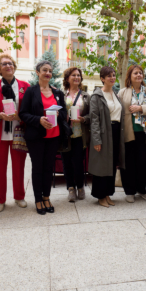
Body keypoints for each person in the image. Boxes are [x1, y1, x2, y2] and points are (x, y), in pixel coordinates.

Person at [0, 54, 30, 213]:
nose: (8, 66)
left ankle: (19, 196)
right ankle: (0, 200)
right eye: (4, 64)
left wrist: (20, 115)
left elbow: (30, 109)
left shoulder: (25, 86)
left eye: (10, 63)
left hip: (18, 132)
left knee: (19, 167)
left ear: (14, 66)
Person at [20, 61, 67, 215]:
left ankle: (46, 197)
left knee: (48, 168)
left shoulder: (58, 93)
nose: (48, 73)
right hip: (36, 137)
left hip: (54, 136)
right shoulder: (31, 91)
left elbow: (65, 113)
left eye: (50, 70)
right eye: (44, 70)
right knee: (38, 168)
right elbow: (23, 113)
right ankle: (38, 199)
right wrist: (39, 119)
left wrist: (60, 115)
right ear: (37, 72)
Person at [118, 65, 146, 203]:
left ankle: (141, 189)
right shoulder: (122, 92)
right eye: (135, 73)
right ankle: (129, 191)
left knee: (143, 162)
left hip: (144, 133)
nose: (139, 75)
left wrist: (141, 108)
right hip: (128, 133)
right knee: (128, 163)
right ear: (130, 76)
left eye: (140, 73)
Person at [89, 66, 126, 207]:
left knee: (111, 165)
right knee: (101, 165)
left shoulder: (116, 95)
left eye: (113, 75)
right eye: (108, 75)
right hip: (104, 132)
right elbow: (94, 119)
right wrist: (97, 140)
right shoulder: (96, 96)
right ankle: (100, 196)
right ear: (102, 79)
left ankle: (108, 194)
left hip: (116, 132)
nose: (112, 77)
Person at [61, 67, 91, 202]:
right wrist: (63, 118)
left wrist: (83, 119)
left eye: (78, 75)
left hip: (80, 135)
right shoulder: (61, 95)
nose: (76, 77)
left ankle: (80, 187)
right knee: (66, 163)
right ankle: (71, 189)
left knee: (79, 163)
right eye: (73, 75)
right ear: (68, 78)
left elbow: (92, 115)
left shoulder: (86, 96)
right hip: (65, 135)